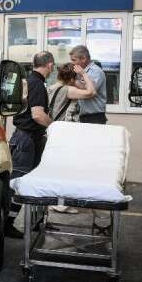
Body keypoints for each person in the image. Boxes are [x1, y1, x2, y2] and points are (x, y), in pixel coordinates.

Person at [5, 51, 55, 239]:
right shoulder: (37, 84)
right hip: (26, 139)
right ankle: (7, 224)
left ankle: (30, 221)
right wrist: (56, 127)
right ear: (49, 65)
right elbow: (37, 115)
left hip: (27, 138)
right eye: (52, 66)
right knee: (18, 182)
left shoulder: (30, 81)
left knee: (30, 181)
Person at [46, 62, 96, 214]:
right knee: (65, 169)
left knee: (56, 169)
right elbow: (91, 92)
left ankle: (53, 201)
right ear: (72, 78)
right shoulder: (68, 90)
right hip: (65, 134)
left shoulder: (52, 88)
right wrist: (84, 74)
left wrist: (76, 79)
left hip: (54, 131)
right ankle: (60, 204)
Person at [69, 45, 108, 124]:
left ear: (83, 58)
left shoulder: (96, 71)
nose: (72, 63)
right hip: (83, 116)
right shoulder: (80, 71)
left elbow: (90, 90)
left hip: (94, 117)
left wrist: (72, 82)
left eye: (74, 60)